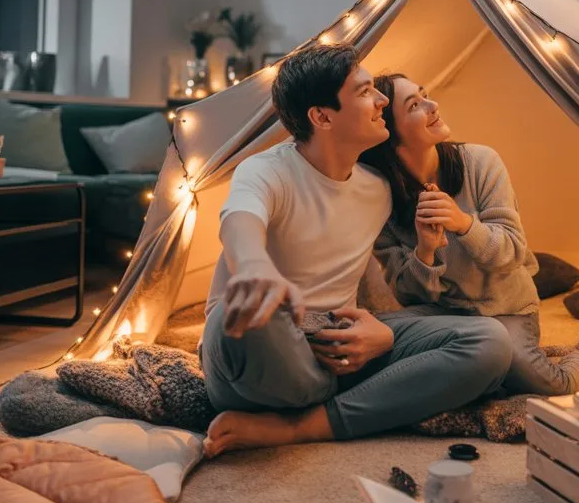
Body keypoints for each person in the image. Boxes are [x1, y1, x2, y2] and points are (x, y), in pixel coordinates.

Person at [200, 43, 513, 457]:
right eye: (365, 92)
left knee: (491, 343)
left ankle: (305, 426)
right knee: (243, 313)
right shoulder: (265, 170)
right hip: (264, 347)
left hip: (340, 345)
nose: (382, 99)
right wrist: (255, 268)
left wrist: (384, 334)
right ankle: (330, 401)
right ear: (322, 117)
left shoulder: (378, 189)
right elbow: (239, 220)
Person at [360, 74, 579, 397]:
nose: (432, 105)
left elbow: (512, 252)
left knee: (550, 383)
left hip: (507, 310)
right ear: (391, 136)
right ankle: (481, 372)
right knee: (376, 339)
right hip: (448, 316)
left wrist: (464, 224)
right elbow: (408, 297)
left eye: (424, 95)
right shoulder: (381, 199)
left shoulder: (480, 162)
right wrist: (424, 252)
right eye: (414, 105)